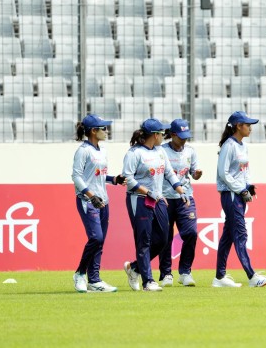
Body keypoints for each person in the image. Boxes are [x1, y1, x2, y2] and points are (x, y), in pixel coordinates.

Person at [122, 118, 190, 292]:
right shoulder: (134, 153)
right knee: (144, 241)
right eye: (161, 133)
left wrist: (180, 190)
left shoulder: (160, 151)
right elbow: (127, 178)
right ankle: (148, 281)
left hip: (158, 199)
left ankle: (134, 268)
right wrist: (147, 192)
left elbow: (169, 172)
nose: (164, 136)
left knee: (163, 239)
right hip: (139, 199)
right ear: (154, 135)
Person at [214, 111, 266, 288]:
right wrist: (240, 189)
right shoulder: (229, 146)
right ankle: (252, 276)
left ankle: (219, 277)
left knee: (228, 237)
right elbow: (223, 174)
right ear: (238, 126)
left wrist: (249, 186)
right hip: (231, 195)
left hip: (238, 194)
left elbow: (244, 169)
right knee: (240, 234)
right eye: (247, 125)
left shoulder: (242, 146)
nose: (250, 128)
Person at [71, 114, 125, 293]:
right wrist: (90, 195)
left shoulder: (102, 151)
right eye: (103, 128)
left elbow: (98, 175)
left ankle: (94, 280)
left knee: (100, 242)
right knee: (96, 238)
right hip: (88, 201)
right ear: (93, 131)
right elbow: (77, 176)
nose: (106, 131)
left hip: (103, 201)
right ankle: (80, 274)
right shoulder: (83, 151)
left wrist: (114, 179)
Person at [157, 119, 202, 288]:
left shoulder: (191, 151)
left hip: (185, 196)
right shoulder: (162, 151)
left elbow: (193, 174)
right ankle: (166, 273)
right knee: (165, 237)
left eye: (186, 136)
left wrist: (197, 174)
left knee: (191, 233)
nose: (184, 140)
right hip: (165, 198)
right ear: (173, 135)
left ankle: (185, 272)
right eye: (181, 136)